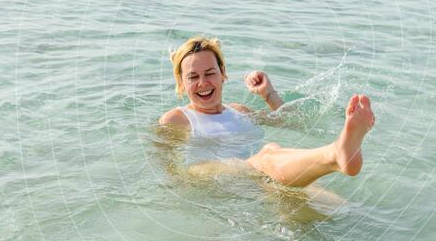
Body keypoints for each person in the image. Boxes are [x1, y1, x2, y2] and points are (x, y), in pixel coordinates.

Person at [159, 36, 375, 188]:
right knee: (268, 153)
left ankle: (338, 157)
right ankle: (336, 154)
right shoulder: (176, 119)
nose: (203, 83)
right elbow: (166, 168)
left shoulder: (239, 111)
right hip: (210, 175)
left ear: (223, 73)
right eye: (193, 77)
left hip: (258, 179)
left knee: (335, 206)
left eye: (210, 73)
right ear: (181, 82)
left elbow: (293, 123)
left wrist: (268, 93)